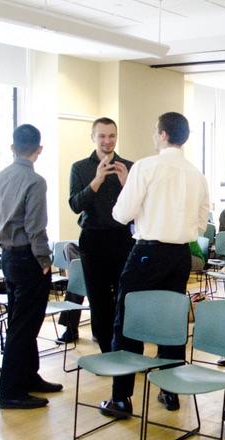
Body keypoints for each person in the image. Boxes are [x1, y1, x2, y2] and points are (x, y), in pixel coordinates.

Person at [100, 112, 210, 417]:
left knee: (127, 322)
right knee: (171, 321)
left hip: (148, 251)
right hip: (180, 256)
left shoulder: (146, 166)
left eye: (154, 131)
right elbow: (202, 223)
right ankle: (170, 391)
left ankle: (121, 398)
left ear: (162, 134)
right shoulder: (196, 174)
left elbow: (121, 215)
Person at [0, 124, 60, 410]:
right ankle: (9, 391)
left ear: (12, 147)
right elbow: (35, 227)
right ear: (38, 150)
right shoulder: (35, 181)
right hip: (29, 259)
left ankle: (29, 377)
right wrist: (44, 260)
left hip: (7, 256)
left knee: (22, 322)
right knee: (24, 326)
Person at [66, 117, 134, 350]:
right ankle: (106, 348)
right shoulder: (80, 167)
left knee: (124, 295)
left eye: (112, 136)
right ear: (93, 137)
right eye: (102, 136)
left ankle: (123, 347)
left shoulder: (129, 167)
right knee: (98, 296)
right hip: (93, 239)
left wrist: (126, 183)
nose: (108, 141)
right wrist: (96, 181)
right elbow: (75, 204)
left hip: (122, 238)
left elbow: (138, 207)